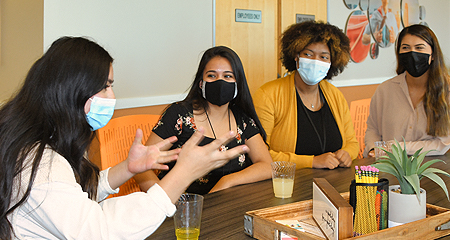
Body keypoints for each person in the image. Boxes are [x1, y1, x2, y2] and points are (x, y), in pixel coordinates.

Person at [0, 37, 248, 240]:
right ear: (72, 88)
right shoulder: (40, 163)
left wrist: (128, 168)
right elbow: (100, 232)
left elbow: (74, 196)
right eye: (105, 86)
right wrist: (183, 173)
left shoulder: (45, 142)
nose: (112, 95)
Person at [134, 46, 272, 195]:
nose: (220, 82)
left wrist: (228, 181)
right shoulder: (178, 115)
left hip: (227, 207)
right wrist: (165, 199)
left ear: (237, 84)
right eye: (212, 76)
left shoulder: (242, 119)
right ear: (201, 83)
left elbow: (267, 165)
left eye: (227, 76)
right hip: (182, 209)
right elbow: (141, 168)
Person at [253, 21, 359, 169]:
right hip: (286, 183)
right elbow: (259, 154)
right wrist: (312, 162)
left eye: (323, 57)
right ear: (296, 56)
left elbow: (352, 143)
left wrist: (347, 154)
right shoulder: (268, 95)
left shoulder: (335, 95)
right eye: (308, 54)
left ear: (331, 63)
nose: (316, 61)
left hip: (331, 184)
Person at [364, 24, 450, 157]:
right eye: (405, 48)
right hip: (390, 170)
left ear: (433, 55)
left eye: (419, 48)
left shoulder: (446, 91)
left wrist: (396, 148)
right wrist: (372, 150)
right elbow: (373, 129)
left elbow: (442, 144)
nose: (412, 53)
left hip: (431, 171)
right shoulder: (384, 90)